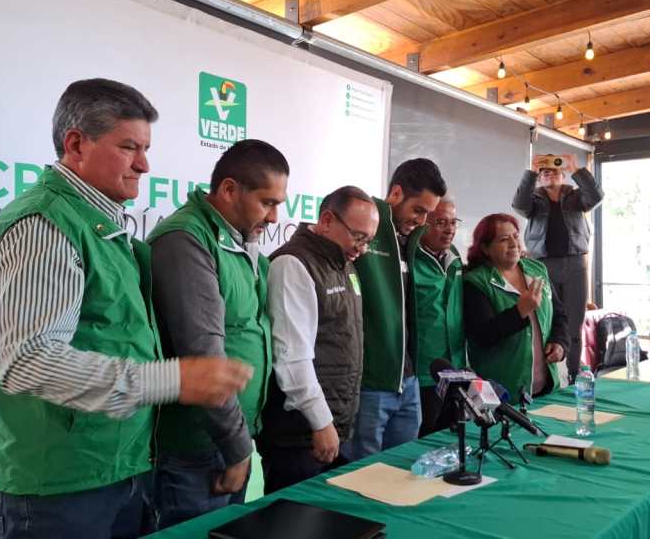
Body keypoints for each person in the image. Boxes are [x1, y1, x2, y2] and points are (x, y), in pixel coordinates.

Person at [0, 79, 253, 539]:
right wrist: (176, 379)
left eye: (145, 148)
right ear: (76, 144)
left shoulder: (101, 225)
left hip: (113, 468)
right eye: (129, 147)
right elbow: (28, 362)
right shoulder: (45, 225)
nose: (144, 164)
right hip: (58, 484)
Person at [147, 139, 288, 529]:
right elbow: (205, 355)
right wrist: (237, 447)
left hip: (225, 444)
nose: (275, 217)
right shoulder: (186, 240)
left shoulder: (239, 240)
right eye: (267, 202)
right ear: (228, 190)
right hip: (195, 449)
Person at [257, 186, 379, 493]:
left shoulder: (344, 263)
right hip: (301, 433)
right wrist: (320, 422)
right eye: (358, 236)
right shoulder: (292, 264)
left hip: (335, 426)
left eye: (369, 240)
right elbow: (292, 356)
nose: (362, 248)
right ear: (326, 220)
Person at [345, 158, 447, 460]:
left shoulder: (411, 240)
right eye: (419, 209)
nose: (423, 220)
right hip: (370, 384)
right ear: (397, 193)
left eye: (428, 213)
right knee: (362, 481)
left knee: (402, 473)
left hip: (409, 381)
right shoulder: (366, 228)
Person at [512, 153, 603, 383]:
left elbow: (596, 196)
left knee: (574, 322)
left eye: (554, 170)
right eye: (544, 172)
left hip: (575, 264)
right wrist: (531, 172)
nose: (548, 174)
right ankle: (550, 375)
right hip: (542, 265)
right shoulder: (533, 199)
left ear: (563, 175)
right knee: (546, 319)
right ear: (539, 178)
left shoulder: (575, 197)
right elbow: (519, 206)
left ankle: (572, 374)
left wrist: (577, 170)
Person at [463, 213, 569, 398]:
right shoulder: (475, 282)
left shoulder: (537, 270)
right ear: (486, 248)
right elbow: (483, 336)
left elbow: (559, 314)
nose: (514, 243)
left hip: (547, 388)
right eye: (504, 239)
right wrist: (521, 311)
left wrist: (560, 343)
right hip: (503, 393)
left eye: (515, 236)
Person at [407, 197, 466, 436]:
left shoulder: (454, 257)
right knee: (425, 439)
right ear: (423, 223)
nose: (450, 229)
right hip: (423, 374)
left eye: (453, 222)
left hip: (456, 369)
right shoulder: (409, 258)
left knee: (453, 439)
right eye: (441, 222)